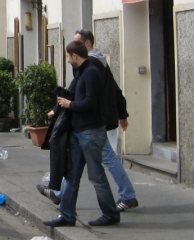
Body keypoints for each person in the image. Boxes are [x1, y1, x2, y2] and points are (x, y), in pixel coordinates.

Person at [38, 29, 138, 212]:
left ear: (87, 45)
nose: (69, 57)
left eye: (76, 44)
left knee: (99, 168)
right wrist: (122, 114)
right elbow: (113, 89)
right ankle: (61, 198)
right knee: (78, 168)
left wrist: (61, 108)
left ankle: (125, 198)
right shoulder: (98, 63)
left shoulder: (90, 67)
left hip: (92, 124)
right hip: (92, 122)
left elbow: (83, 96)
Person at [43, 41, 120, 227]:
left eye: (68, 57)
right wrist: (63, 102)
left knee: (95, 175)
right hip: (79, 131)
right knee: (71, 174)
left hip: (91, 131)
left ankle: (110, 213)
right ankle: (67, 215)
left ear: (75, 56)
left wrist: (70, 104)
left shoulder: (91, 72)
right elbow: (78, 95)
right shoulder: (81, 73)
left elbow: (91, 103)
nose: (68, 61)